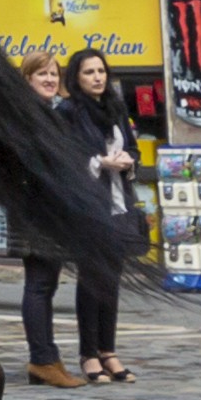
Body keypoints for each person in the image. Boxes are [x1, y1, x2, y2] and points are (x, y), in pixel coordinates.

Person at [7, 55, 97, 387]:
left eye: (53, 74)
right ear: (27, 78)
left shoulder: (48, 111)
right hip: (37, 210)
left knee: (45, 284)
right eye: (41, 74)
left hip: (48, 209)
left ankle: (47, 358)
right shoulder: (27, 113)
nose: (49, 79)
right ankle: (43, 360)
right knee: (40, 284)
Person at [66, 50, 143, 381]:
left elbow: (133, 147)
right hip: (88, 206)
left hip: (118, 203)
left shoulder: (116, 108)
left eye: (101, 71)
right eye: (89, 72)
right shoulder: (69, 111)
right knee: (91, 279)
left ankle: (108, 350)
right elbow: (66, 157)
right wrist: (99, 163)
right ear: (77, 78)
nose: (97, 77)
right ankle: (88, 354)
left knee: (111, 279)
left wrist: (128, 160)